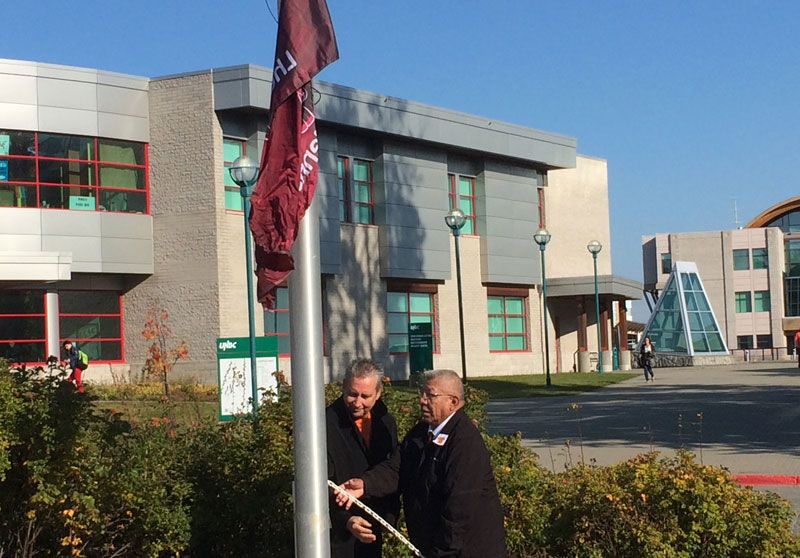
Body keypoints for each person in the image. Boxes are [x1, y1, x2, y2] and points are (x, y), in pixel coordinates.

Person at [337, 369, 507, 558]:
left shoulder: (465, 443)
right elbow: (397, 467)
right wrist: (365, 484)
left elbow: (459, 513)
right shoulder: (421, 432)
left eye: (431, 395)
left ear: (453, 402)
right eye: (422, 393)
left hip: (465, 551)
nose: (422, 400)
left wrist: (439, 553)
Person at [326, 358, 399, 558]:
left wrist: (389, 518)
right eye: (352, 394)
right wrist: (345, 520)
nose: (358, 403)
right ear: (343, 388)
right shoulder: (326, 424)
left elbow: (393, 468)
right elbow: (320, 482)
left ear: (378, 394)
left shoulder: (386, 422)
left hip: (374, 526)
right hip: (339, 536)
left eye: (365, 396)